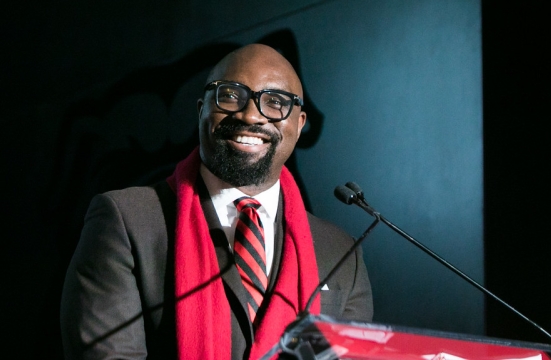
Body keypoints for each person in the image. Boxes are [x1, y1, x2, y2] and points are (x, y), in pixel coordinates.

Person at [60, 44, 372, 360]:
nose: (251, 115)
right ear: (201, 110)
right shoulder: (126, 222)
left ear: (300, 123)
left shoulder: (341, 253)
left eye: (275, 102)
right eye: (231, 95)